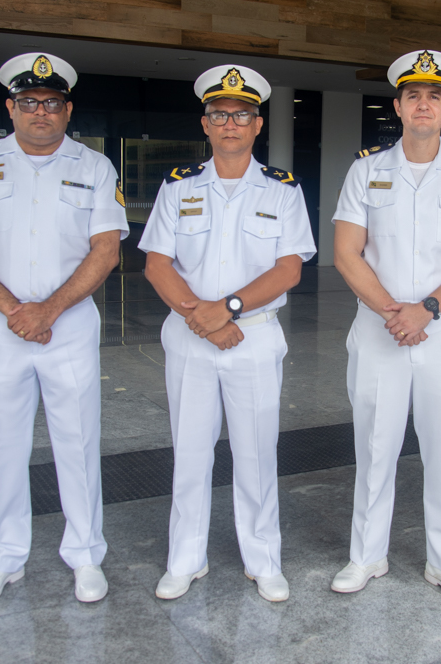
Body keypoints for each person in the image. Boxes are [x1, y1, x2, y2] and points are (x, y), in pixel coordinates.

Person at [0, 52, 128, 605]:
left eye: (50, 103)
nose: (40, 112)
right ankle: (4, 555)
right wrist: (14, 309)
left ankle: (85, 555)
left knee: (78, 440)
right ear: (11, 106)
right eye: (28, 102)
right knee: (2, 442)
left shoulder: (95, 167)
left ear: (67, 110)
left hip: (67, 326)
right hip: (0, 327)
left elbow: (107, 249)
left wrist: (47, 310)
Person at [330, 50, 441, 605]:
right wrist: (392, 311)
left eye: (434, 96)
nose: (422, 104)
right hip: (380, 326)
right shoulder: (365, 170)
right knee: (374, 446)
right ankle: (366, 555)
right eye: (412, 96)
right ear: (399, 108)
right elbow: (347, 252)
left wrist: (424, 309)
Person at [139, 64, 316, 603]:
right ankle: (184, 558)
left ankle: (263, 559)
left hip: (254, 335)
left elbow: (290, 269)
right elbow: (156, 263)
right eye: (220, 114)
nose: (231, 123)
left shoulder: (283, 191)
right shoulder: (179, 187)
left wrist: (229, 310)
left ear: (257, 124)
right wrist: (203, 318)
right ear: (206, 123)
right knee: (190, 452)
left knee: (257, 452)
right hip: (192, 335)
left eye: (241, 115)